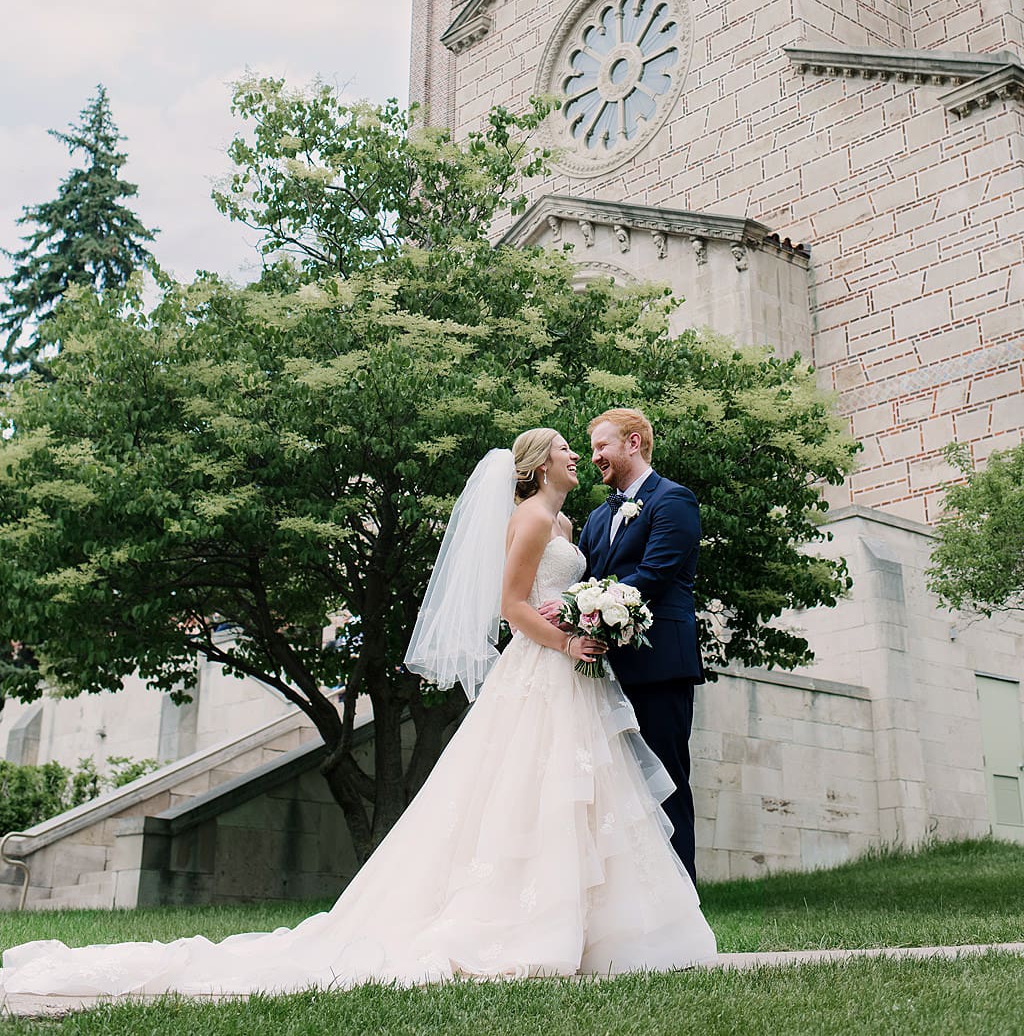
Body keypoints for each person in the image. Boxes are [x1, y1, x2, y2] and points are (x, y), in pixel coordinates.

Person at [0, 429, 715, 1015]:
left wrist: (588, 620)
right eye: (567, 447)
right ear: (539, 464)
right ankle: (529, 922)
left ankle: (607, 929)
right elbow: (512, 607)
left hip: (574, 672)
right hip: (545, 668)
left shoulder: (570, 522)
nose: (575, 456)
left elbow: (581, 585)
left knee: (583, 794)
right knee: (532, 793)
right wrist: (566, 637)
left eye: (584, 446)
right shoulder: (530, 519)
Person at [543, 409, 704, 883]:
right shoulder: (597, 517)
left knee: (665, 782)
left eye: (601, 446)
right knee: (614, 792)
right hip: (603, 673)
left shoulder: (674, 501)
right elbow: (585, 575)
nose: (593, 457)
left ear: (633, 443)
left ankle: (682, 899)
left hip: (659, 667)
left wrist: (579, 605)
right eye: (590, 449)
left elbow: (653, 576)